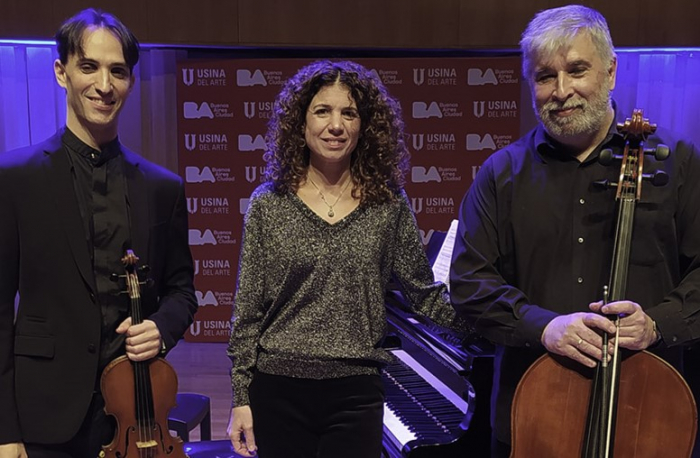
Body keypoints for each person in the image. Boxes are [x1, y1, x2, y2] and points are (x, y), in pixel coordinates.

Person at [449, 4, 700, 457]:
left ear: (610, 71)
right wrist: (544, 326)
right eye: (545, 77)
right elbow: (469, 284)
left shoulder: (678, 163)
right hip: (532, 423)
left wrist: (659, 323)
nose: (561, 91)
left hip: (651, 421)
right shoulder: (501, 173)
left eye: (577, 70)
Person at [226, 60, 459, 458]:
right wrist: (240, 397)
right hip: (278, 388)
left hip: (356, 393)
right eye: (323, 111)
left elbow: (424, 295)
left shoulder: (388, 203)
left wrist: (497, 324)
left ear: (364, 126)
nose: (336, 125)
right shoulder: (269, 204)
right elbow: (247, 311)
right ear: (300, 123)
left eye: (349, 113)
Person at [0, 8, 197, 458]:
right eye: (88, 66)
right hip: (43, 418)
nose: (104, 86)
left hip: (136, 413)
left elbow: (182, 291)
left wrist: (161, 329)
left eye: (118, 71)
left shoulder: (162, 187)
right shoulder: (13, 178)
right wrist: (4, 430)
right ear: (61, 72)